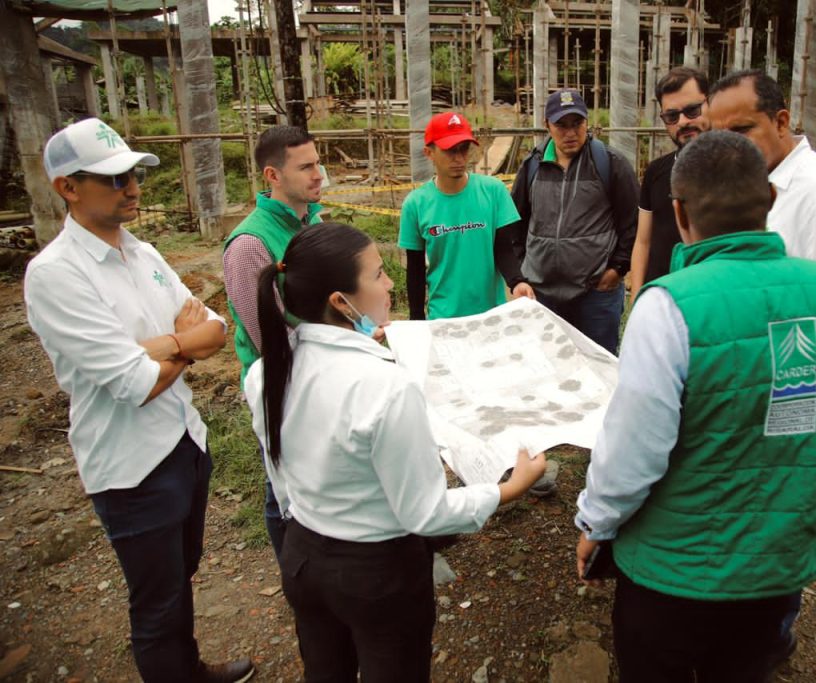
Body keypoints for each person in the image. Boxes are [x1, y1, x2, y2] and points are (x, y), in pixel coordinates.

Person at [574, 131, 816, 682]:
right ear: (770, 197)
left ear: (678, 212)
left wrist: (595, 522)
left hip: (673, 571)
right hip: (778, 565)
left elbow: (633, 457)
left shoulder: (668, 306)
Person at [243, 222, 547, 682]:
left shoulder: (265, 374)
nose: (390, 285)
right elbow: (424, 515)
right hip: (377, 573)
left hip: (303, 556)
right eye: (378, 274)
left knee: (326, 670)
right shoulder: (384, 386)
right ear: (340, 302)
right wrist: (507, 490)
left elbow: (281, 474)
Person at [24, 118, 252, 682]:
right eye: (112, 179)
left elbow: (217, 327)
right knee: (156, 601)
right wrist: (183, 342)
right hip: (131, 467)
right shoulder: (56, 275)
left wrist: (163, 347)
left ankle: (189, 667)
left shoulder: (143, 252)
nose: (131, 188)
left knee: (183, 574)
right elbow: (135, 385)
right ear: (67, 188)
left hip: (183, 441)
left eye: (132, 174)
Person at [223, 125, 324, 558]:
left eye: (318, 162)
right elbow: (272, 340)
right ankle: (294, 573)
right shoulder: (249, 245)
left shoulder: (312, 219)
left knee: (318, 471)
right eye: (306, 167)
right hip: (283, 382)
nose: (319, 174)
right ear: (273, 176)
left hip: (322, 371)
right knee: (282, 481)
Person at [502, 89, 639, 355]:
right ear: (547, 125)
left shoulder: (610, 164)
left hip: (595, 295)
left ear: (587, 123)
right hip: (541, 295)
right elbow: (515, 222)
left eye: (577, 123)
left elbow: (632, 223)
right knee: (546, 367)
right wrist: (522, 270)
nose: (570, 132)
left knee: (599, 370)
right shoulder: (533, 166)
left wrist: (617, 269)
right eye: (561, 125)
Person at [707, 69, 816, 283]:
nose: (728, 146)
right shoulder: (747, 183)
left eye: (741, 130)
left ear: (781, 123)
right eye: (718, 136)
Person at [399, 112, 524, 320]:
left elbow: (503, 249)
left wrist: (517, 281)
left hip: (492, 314)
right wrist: (416, 319)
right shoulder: (415, 204)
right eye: (449, 150)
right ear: (429, 153)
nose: (459, 158)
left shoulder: (493, 191)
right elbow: (415, 269)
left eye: (463, 149)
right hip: (444, 317)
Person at [629, 66, 709, 304]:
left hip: (711, 300)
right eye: (672, 116)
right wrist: (636, 297)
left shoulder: (734, 168)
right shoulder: (656, 172)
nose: (683, 122)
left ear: (710, 103)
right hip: (662, 300)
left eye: (692, 111)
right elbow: (643, 241)